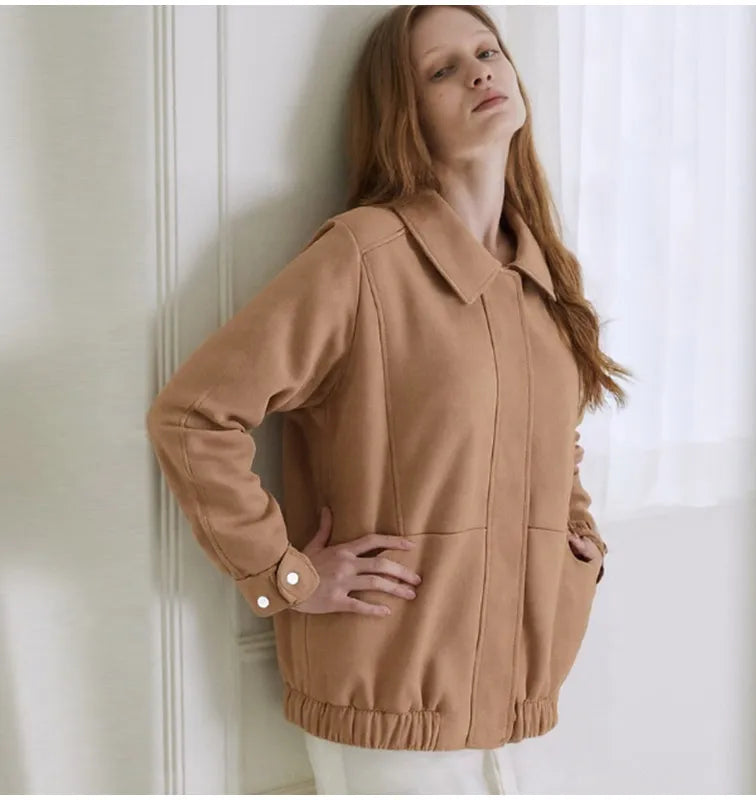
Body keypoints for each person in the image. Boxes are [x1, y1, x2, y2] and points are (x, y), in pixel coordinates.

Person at [146, 3, 633, 793]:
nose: (479, 72)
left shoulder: (545, 279)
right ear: (404, 115)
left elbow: (555, 447)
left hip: (529, 696)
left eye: (488, 51)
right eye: (443, 70)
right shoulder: (362, 258)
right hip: (390, 701)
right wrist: (285, 572)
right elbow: (194, 416)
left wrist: (579, 543)